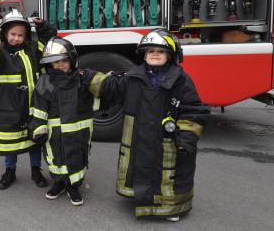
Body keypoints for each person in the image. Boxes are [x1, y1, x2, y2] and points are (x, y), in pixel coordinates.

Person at [88, 29, 209, 221]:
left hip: (168, 141)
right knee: (142, 166)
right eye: (150, 51)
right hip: (139, 138)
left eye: (160, 51)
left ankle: (170, 208)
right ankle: (141, 196)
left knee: (167, 172)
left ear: (170, 55)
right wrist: (80, 74)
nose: (154, 54)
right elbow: (109, 87)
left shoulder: (181, 80)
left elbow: (194, 109)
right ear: (144, 55)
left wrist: (186, 137)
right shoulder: (132, 77)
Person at [0, 9, 56, 190]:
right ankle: (9, 171)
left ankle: (36, 170)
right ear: (4, 33)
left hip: (34, 108)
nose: (16, 38)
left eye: (20, 35)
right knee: (10, 144)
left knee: (35, 141)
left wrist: (43, 26)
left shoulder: (34, 50)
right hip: (8, 109)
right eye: (12, 34)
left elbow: (49, 42)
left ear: (26, 36)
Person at [29, 36, 100, 206]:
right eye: (55, 62)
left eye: (63, 60)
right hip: (55, 134)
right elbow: (38, 108)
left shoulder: (82, 80)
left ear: (72, 59)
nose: (60, 64)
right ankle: (59, 183)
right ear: (49, 64)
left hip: (79, 133)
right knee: (55, 159)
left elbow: (98, 99)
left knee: (77, 158)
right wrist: (38, 127)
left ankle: (73, 187)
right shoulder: (45, 82)